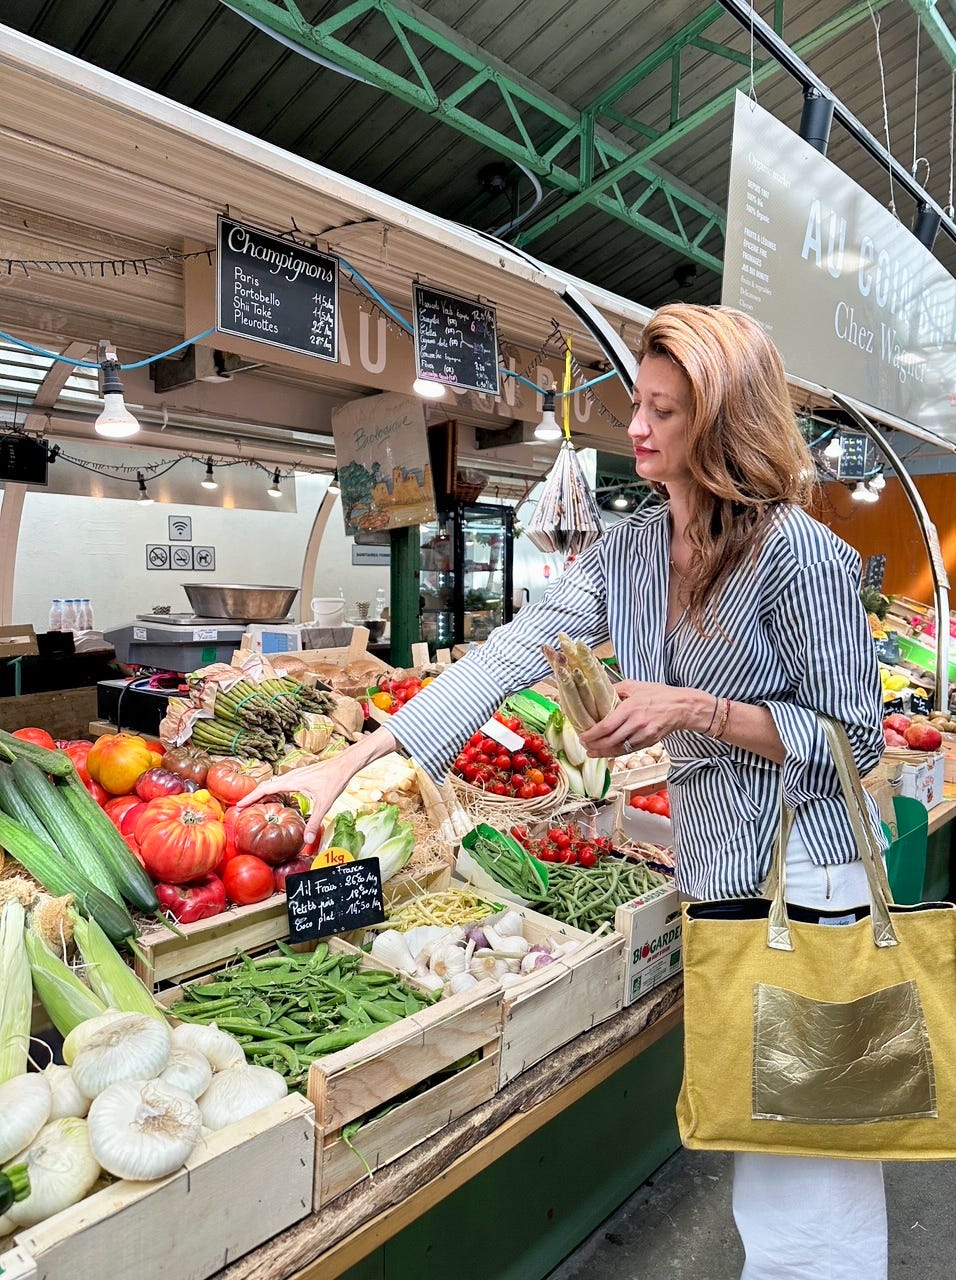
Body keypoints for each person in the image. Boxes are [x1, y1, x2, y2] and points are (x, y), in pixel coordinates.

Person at [241, 303, 887, 1279]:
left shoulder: (801, 557)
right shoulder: (629, 552)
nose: (636, 429)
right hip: (718, 879)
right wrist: (356, 758)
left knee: (813, 1181)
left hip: (808, 886)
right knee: (764, 1157)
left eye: (666, 411)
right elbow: (507, 652)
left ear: (724, 424)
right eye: (640, 403)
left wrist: (695, 710)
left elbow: (855, 734)